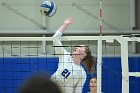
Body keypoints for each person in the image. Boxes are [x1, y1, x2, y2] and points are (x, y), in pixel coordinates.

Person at [51, 17, 96, 93]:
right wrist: (65, 25)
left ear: (84, 55)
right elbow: (55, 38)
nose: (77, 47)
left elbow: (78, 91)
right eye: (78, 46)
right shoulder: (65, 55)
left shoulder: (82, 73)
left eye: (80, 47)